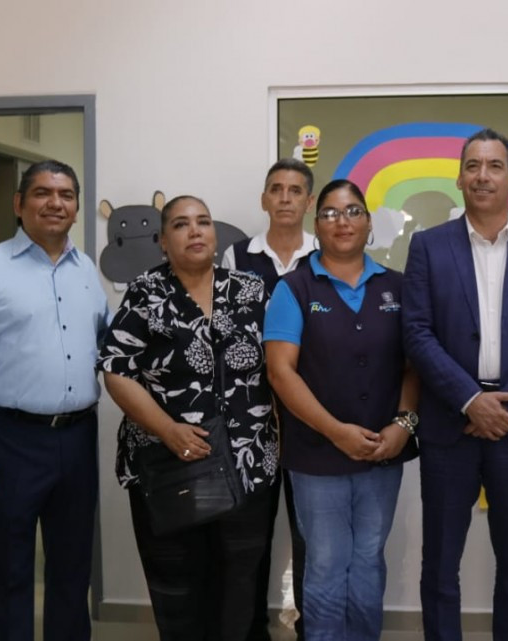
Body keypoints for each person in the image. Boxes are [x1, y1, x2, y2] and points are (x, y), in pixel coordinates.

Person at [403, 128, 508, 641]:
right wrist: (470, 400)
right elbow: (416, 331)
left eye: (494, 165)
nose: (483, 175)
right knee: (440, 563)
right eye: (472, 165)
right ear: (459, 178)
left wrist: (506, 406)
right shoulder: (428, 246)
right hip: (449, 425)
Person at [0, 160, 108, 641]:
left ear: (76, 207)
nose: (55, 203)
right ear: (19, 204)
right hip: (9, 439)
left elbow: (107, 344)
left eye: (66, 195)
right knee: (9, 568)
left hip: (78, 436)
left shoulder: (86, 270)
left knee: (73, 566)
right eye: (42, 193)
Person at [98, 195, 278, 641]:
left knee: (240, 586)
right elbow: (116, 370)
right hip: (169, 466)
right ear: (163, 241)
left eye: (203, 221)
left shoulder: (251, 290)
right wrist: (168, 429)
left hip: (247, 464)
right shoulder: (145, 292)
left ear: (215, 234)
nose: (195, 230)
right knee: (178, 588)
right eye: (181, 224)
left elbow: (281, 367)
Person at [265, 178, 418, 641]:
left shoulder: (399, 287)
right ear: (317, 224)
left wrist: (403, 424)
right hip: (316, 455)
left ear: (369, 223)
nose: (342, 221)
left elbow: (415, 365)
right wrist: (336, 431)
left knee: (369, 557)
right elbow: (281, 373)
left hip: (383, 451)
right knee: (327, 562)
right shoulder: (293, 289)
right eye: (330, 213)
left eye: (353, 211)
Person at [222, 157, 315, 641]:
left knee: (309, 536)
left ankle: (310, 630)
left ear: (309, 201)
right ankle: (249, 631)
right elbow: (225, 333)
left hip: (311, 415)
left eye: (295, 190)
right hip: (251, 421)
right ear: (263, 199)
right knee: (249, 538)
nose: (284, 198)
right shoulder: (237, 256)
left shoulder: (325, 253)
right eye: (276, 189)